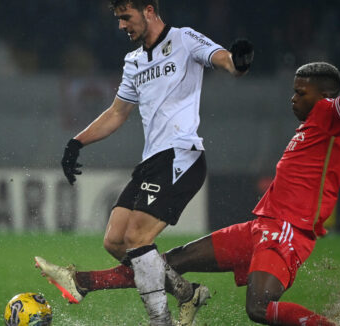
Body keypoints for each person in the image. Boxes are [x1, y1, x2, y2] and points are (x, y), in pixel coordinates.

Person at [37, 22, 340, 325]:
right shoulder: (329, 122)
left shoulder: (332, 113)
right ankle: (84, 282)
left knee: (259, 309)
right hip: (259, 227)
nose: (292, 99)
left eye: (300, 93)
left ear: (324, 96)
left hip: (286, 233)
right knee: (161, 262)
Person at [35, 1, 254, 325]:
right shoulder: (134, 62)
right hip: (152, 161)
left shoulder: (184, 39)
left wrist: (239, 62)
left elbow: (224, 61)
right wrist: (76, 143)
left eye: (126, 17)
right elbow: (117, 113)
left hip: (181, 155)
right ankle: (185, 292)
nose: (122, 25)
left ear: (149, 10)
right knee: (115, 241)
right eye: (119, 19)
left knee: (137, 239)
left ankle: (159, 320)